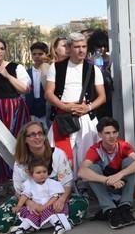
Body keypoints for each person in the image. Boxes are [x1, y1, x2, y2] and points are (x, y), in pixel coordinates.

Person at [0, 121, 87, 234]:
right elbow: (19, 190)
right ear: (25, 139)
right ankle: (51, 222)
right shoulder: (20, 162)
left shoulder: (58, 154)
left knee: (81, 204)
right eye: (32, 134)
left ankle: (30, 225)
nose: (38, 137)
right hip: (30, 202)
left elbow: (67, 184)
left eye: (40, 133)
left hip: (54, 200)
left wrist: (61, 200)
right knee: (1, 218)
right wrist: (31, 204)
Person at [45, 32, 106, 173]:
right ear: (69, 48)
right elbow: (48, 93)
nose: (81, 50)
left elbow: (102, 97)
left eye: (84, 46)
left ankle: (85, 187)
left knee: (87, 156)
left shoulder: (94, 69)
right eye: (77, 46)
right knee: (61, 156)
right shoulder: (56, 67)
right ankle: (65, 187)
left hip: (86, 117)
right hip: (63, 117)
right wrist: (64, 107)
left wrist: (87, 108)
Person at [78, 117, 135, 230]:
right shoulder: (95, 149)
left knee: (130, 162)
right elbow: (82, 172)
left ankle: (125, 205)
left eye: (114, 132)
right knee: (92, 168)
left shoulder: (124, 145)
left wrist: (119, 175)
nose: (111, 136)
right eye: (107, 133)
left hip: (121, 186)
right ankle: (110, 209)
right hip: (104, 190)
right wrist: (107, 180)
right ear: (100, 134)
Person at [0, 36, 31, 185]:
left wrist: (7, 75)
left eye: (1, 48)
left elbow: (25, 89)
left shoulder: (15, 67)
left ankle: (19, 181)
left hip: (14, 110)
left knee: (17, 144)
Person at [10, 158, 70, 234]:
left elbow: (55, 196)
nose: (42, 175)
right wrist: (19, 206)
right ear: (31, 174)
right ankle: (21, 230)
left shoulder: (51, 183)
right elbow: (25, 195)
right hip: (36, 206)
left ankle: (58, 226)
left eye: (44, 171)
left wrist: (44, 206)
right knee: (31, 214)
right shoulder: (29, 184)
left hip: (49, 204)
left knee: (49, 210)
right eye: (38, 172)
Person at [86, 29, 114, 119]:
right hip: (95, 97)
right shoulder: (89, 61)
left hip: (111, 97)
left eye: (104, 46)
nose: (102, 49)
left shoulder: (111, 59)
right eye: (99, 46)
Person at [26, 41, 50, 127]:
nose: (37, 56)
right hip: (31, 109)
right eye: (34, 54)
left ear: (46, 54)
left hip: (46, 108)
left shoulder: (51, 71)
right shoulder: (26, 73)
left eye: (40, 54)